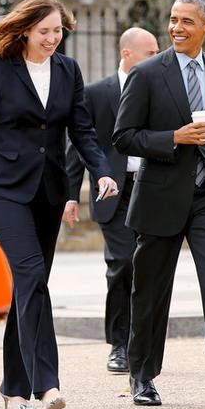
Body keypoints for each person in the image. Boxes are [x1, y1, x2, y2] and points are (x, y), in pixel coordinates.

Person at [0, 0, 117, 409]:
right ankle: (47, 384)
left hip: (47, 191)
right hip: (3, 188)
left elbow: (82, 130)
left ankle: (12, 386)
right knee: (31, 274)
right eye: (45, 31)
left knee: (30, 286)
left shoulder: (67, 70)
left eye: (58, 30)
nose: (53, 38)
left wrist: (102, 171)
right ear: (25, 29)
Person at [112, 0, 205, 409]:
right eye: (173, 19)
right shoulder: (145, 74)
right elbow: (123, 137)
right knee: (152, 293)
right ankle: (142, 375)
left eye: (187, 22)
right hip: (161, 197)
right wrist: (172, 139)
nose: (176, 28)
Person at [63, 27, 159, 374]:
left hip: (151, 190)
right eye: (151, 52)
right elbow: (78, 147)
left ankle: (141, 343)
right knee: (122, 262)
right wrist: (70, 196)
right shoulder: (96, 93)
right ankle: (119, 344)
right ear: (127, 53)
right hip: (113, 192)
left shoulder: (159, 89)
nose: (157, 57)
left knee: (147, 268)